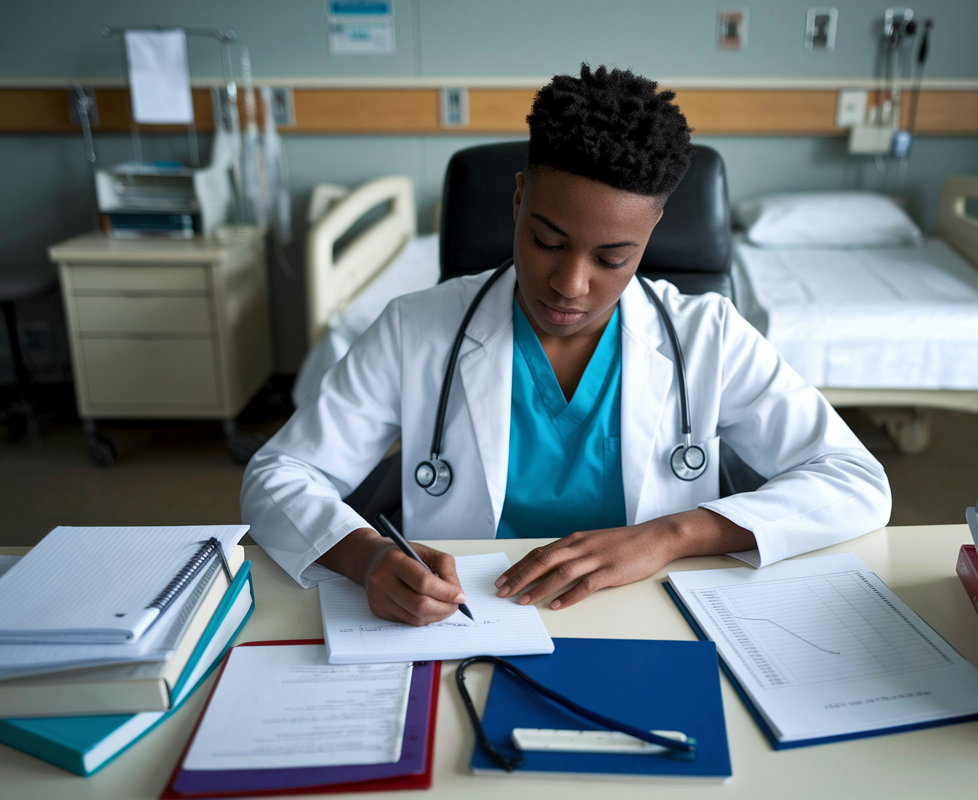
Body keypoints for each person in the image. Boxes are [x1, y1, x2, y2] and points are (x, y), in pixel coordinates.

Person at [241, 64, 890, 626]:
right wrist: (366, 556)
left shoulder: (706, 335)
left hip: (651, 610)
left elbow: (857, 482)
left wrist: (672, 534)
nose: (570, 284)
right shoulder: (417, 327)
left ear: (652, 233)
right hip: (463, 618)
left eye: (613, 257)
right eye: (548, 241)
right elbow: (279, 476)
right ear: (519, 200)